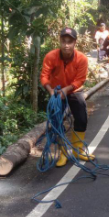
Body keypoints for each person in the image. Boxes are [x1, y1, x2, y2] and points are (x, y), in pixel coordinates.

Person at [40, 27, 94, 166]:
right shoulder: (51, 56)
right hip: (56, 92)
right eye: (64, 41)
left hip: (73, 90)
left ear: (75, 42)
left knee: (81, 117)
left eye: (69, 42)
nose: (66, 45)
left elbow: (80, 80)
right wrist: (51, 91)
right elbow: (44, 76)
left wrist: (66, 90)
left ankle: (77, 150)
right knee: (56, 121)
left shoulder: (81, 58)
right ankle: (63, 153)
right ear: (60, 41)